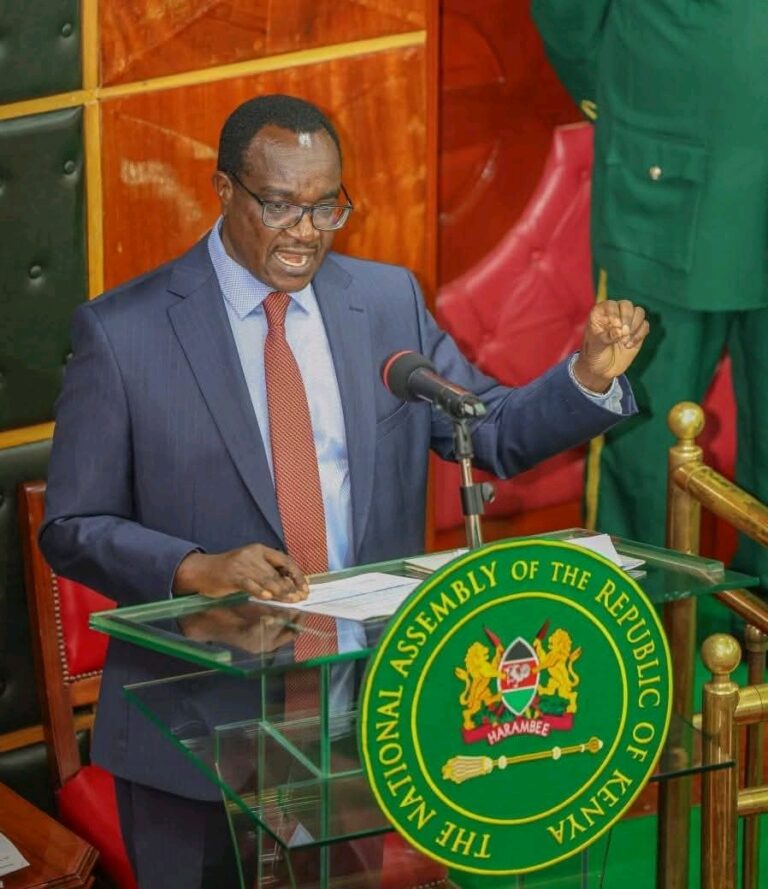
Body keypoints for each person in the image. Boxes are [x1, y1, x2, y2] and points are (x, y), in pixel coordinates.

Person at [40, 94, 649, 888]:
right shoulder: (124, 333)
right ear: (223, 189)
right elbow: (72, 524)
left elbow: (486, 428)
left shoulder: (384, 302)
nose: (305, 232)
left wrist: (587, 377)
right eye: (281, 205)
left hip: (357, 720)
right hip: (193, 729)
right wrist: (196, 567)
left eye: (326, 206)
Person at [532, 1, 768, 593]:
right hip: (675, 170)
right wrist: (621, 92)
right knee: (645, 433)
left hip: (683, 154)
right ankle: (637, 643)